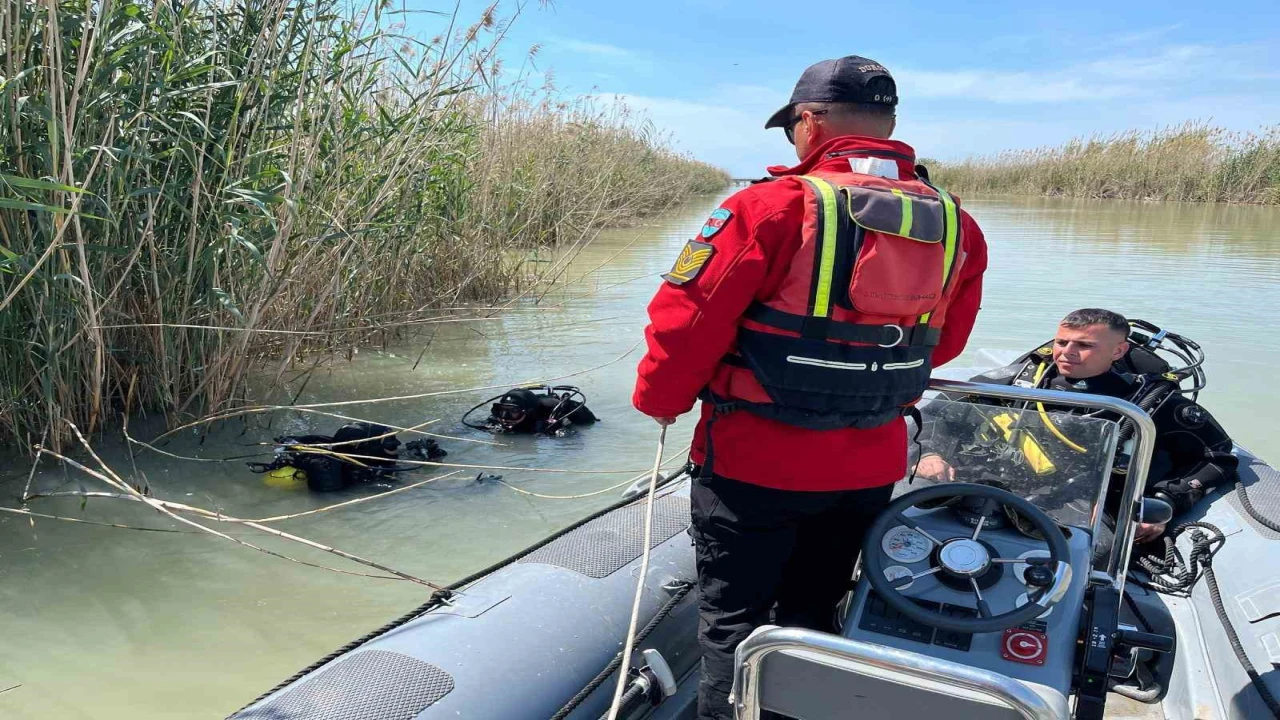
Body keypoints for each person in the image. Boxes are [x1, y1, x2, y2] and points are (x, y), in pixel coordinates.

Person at [632, 56, 989, 720]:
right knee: (814, 612)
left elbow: (684, 325)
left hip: (752, 462)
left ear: (808, 121)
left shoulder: (768, 209)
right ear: (889, 124)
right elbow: (947, 343)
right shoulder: (957, 226)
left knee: (732, 625)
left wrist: (658, 403)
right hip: (870, 465)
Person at [916, 308, 1237, 544]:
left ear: (1119, 351)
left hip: (1081, 511)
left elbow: (1216, 456)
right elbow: (938, 416)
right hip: (988, 491)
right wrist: (931, 454)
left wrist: (1166, 502)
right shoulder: (1017, 383)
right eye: (1062, 342)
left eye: (1084, 345)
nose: (1067, 353)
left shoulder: (1148, 402)